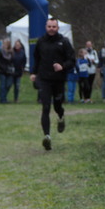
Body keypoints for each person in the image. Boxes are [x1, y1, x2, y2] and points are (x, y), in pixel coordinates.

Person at [30, 18, 75, 151]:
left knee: (57, 106)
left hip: (58, 80)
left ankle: (61, 116)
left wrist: (62, 66)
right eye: (49, 26)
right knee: (45, 107)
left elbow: (72, 60)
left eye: (54, 27)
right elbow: (36, 59)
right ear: (46, 27)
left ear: (58, 28)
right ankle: (47, 137)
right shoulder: (41, 41)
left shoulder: (64, 42)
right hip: (44, 79)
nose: (51, 29)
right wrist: (33, 73)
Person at [0, 39, 15, 104]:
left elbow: (13, 60)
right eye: (5, 43)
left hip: (9, 71)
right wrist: (2, 66)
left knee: (9, 84)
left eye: (7, 43)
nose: (6, 45)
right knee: (2, 85)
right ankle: (2, 99)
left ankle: (4, 96)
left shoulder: (11, 52)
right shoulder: (0, 51)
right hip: (2, 71)